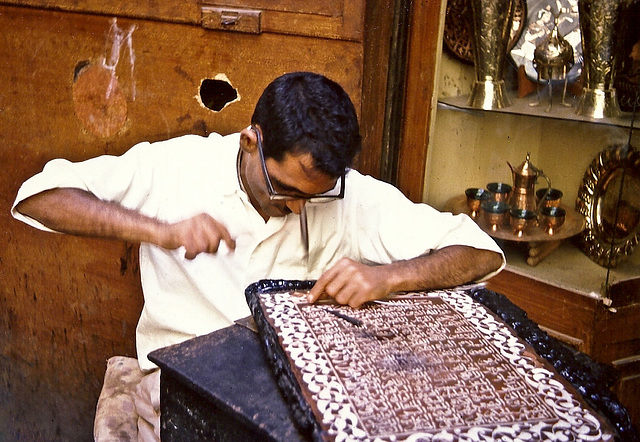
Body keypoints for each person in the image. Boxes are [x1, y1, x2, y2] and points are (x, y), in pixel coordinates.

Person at [12, 71, 505, 440]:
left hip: (289, 391)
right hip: (181, 381)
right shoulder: (179, 167)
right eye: (285, 188)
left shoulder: (346, 196)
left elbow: (480, 252)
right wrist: (158, 230)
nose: (296, 207)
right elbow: (40, 197)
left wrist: (389, 277)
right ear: (251, 142)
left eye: (314, 197)